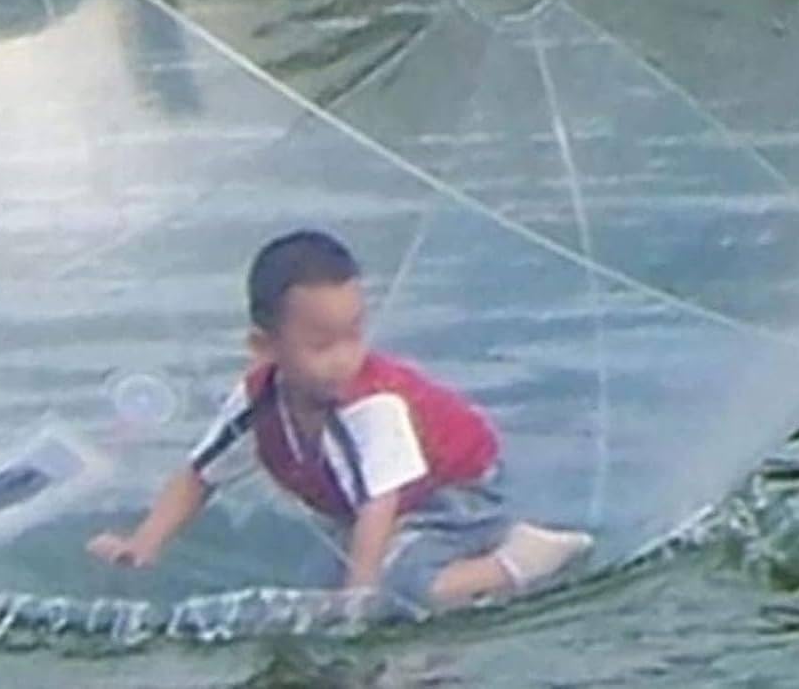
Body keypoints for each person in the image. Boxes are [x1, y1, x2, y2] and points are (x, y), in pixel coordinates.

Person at [87, 229, 591, 612]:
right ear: (265, 347)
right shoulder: (258, 400)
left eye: (354, 335)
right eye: (321, 344)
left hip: (458, 491)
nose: (345, 359)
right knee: (313, 589)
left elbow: (379, 504)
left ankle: (521, 559)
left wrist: (360, 597)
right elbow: (199, 476)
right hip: (388, 506)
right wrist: (144, 543)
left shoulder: (371, 403)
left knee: (402, 588)